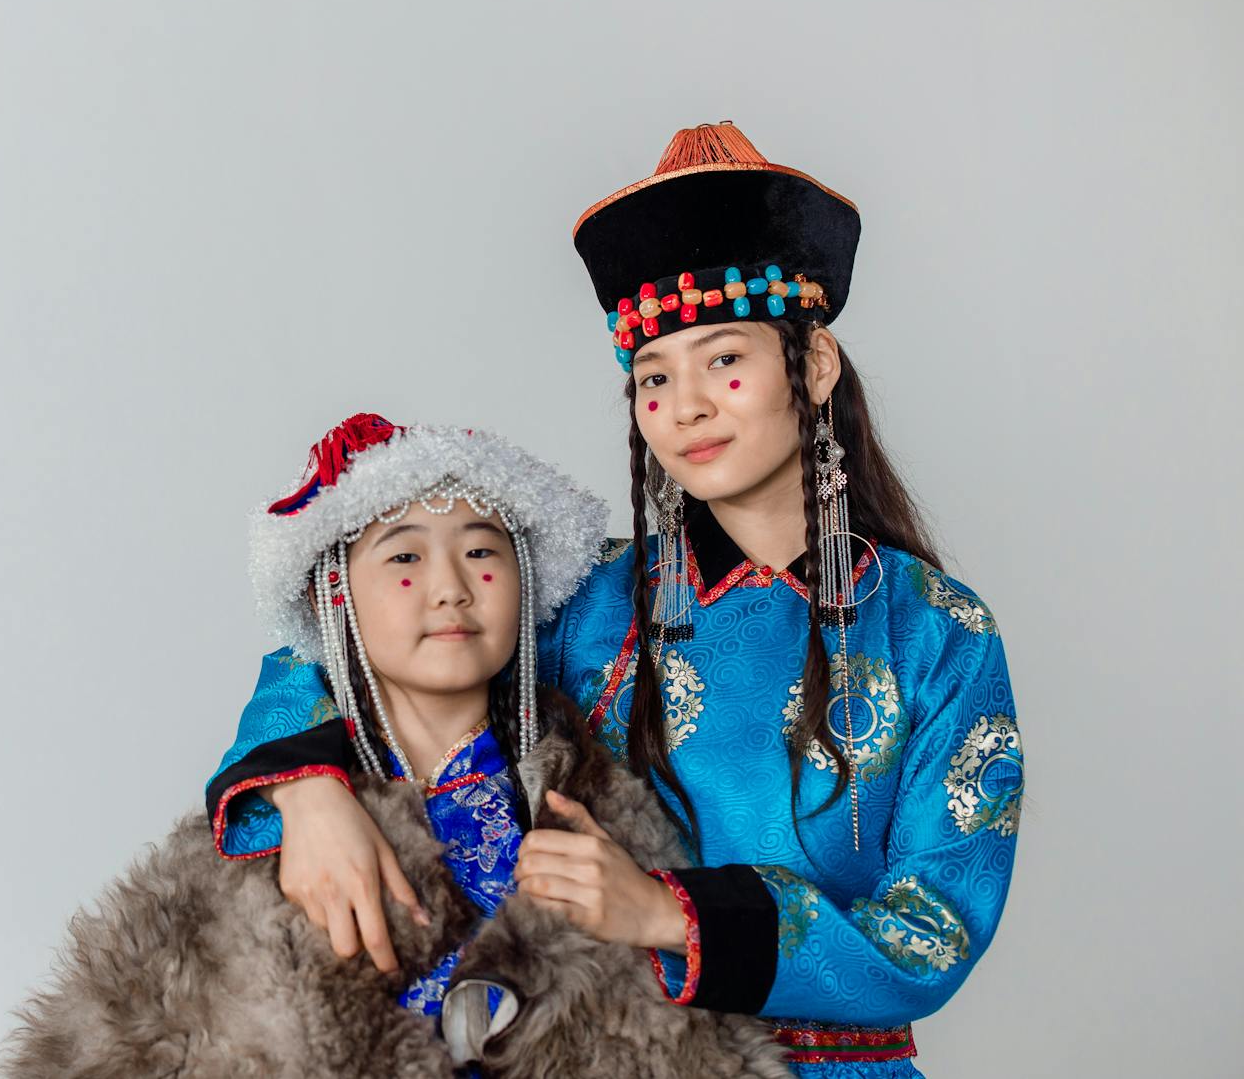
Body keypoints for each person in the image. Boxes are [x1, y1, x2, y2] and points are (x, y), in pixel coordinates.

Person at [205, 123, 1026, 1077]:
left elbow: (932, 931)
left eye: (725, 362)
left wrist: (662, 912)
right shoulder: (587, 602)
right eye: (653, 377)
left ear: (813, 366)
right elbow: (348, 641)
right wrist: (311, 790)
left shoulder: (938, 632)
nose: (686, 406)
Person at [2, 414, 792, 1078]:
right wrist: (305, 787)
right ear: (335, 599)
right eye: (404, 557)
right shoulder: (262, 834)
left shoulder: (603, 811)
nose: (451, 585)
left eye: (482, 551)